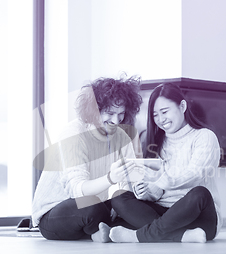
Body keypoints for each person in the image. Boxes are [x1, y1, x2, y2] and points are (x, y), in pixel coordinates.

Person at [31, 75, 143, 242]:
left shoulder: (122, 137)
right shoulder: (73, 133)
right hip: (57, 212)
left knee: (132, 206)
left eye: (121, 114)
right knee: (90, 206)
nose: (116, 121)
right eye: (110, 113)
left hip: (102, 205)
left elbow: (131, 179)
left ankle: (101, 230)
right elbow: (77, 190)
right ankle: (102, 229)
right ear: (94, 110)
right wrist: (111, 179)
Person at [109, 83, 222, 243]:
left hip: (198, 216)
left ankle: (137, 236)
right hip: (163, 214)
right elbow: (156, 193)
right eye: (155, 115)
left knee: (200, 194)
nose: (161, 120)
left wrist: (159, 184)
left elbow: (196, 174)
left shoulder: (204, 137)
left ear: (182, 106)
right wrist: (145, 192)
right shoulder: (154, 142)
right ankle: (182, 236)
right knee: (119, 198)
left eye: (164, 111)